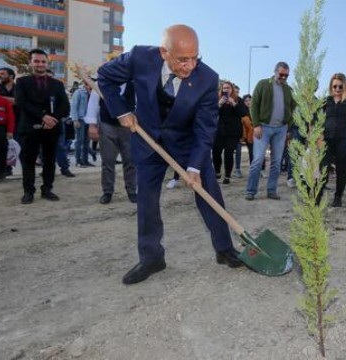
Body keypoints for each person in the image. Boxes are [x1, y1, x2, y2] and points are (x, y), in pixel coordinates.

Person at [98, 24, 242, 285]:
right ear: (165, 52)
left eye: (194, 58)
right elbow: (104, 77)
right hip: (147, 138)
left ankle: (224, 249)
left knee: (209, 192)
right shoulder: (140, 57)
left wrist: (195, 167)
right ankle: (152, 257)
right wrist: (121, 111)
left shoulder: (208, 79)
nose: (189, 66)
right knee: (147, 200)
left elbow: (205, 127)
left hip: (187, 143)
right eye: (182, 59)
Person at [15, 49, 70, 204]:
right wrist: (42, 116)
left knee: (49, 161)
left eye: (43, 61)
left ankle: (47, 189)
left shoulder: (58, 84)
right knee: (29, 161)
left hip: (51, 129)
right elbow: (21, 103)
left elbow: (64, 106)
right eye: (36, 61)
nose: (40, 64)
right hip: (29, 128)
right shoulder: (22, 82)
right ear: (30, 62)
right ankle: (28, 192)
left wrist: (52, 119)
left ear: (47, 63)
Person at [245, 62, 297, 201]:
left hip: (281, 129)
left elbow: (294, 108)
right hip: (263, 127)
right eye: (281, 74)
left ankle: (272, 190)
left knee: (277, 162)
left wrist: (288, 125)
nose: (283, 78)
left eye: (286, 76)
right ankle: (251, 190)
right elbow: (254, 104)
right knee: (257, 159)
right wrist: (256, 125)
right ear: (275, 72)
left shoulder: (289, 90)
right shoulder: (263, 84)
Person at [84, 81, 137, 204]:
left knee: (130, 160)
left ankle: (132, 190)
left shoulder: (134, 84)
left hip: (128, 127)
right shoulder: (101, 84)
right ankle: (107, 192)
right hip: (107, 125)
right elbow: (93, 105)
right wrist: (92, 125)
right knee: (108, 161)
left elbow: (140, 104)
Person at [321, 73, 346, 207]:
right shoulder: (326, 101)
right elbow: (319, 119)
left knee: (341, 169)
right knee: (323, 168)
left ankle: (338, 197)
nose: (337, 89)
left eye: (340, 86)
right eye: (334, 86)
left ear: (345, 86)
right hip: (327, 139)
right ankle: (317, 197)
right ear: (331, 87)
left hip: (344, 139)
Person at [213, 81, 246, 185]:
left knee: (228, 154)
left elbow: (243, 113)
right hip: (219, 131)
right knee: (216, 152)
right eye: (224, 88)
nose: (226, 90)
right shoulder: (218, 100)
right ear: (221, 90)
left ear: (232, 89)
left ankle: (227, 176)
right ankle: (217, 172)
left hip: (233, 132)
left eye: (228, 88)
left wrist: (234, 104)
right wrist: (219, 104)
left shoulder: (238, 100)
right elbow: (211, 113)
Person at [71, 83, 95, 167]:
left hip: (88, 119)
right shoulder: (79, 92)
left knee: (87, 141)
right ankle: (78, 161)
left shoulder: (93, 92)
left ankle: (85, 160)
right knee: (79, 140)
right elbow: (74, 106)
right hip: (80, 119)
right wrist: (75, 119)